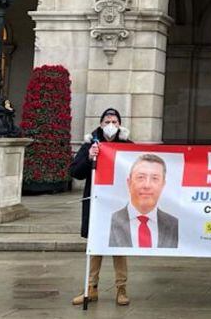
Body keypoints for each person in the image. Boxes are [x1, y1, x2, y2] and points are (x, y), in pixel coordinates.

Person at [70, 108, 133, 307]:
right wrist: (89, 157)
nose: (110, 124)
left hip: (118, 203)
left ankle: (121, 289)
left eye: (114, 121)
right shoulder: (91, 144)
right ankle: (91, 288)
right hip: (97, 202)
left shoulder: (128, 147)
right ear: (100, 123)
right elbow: (76, 172)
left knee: (119, 247)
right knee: (95, 247)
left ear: (120, 124)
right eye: (107, 121)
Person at [109, 153, 179, 248]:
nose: (147, 185)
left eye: (155, 178)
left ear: (163, 185)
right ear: (129, 183)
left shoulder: (174, 224)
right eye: (141, 177)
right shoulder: (110, 221)